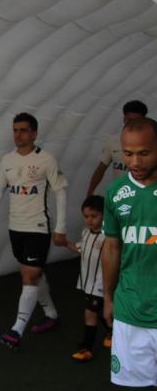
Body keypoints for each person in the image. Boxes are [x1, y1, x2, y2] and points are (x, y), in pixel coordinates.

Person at [0, 112, 68, 349]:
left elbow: (60, 192)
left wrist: (60, 228)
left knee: (29, 276)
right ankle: (52, 315)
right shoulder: (7, 160)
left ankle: (17, 330)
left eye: (24, 130)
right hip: (15, 227)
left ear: (34, 133)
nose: (18, 135)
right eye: (15, 130)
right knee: (33, 274)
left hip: (38, 227)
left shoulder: (46, 160)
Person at [102, 117, 157, 387]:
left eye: (144, 153)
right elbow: (111, 247)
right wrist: (108, 298)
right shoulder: (115, 193)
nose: (135, 162)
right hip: (130, 311)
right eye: (128, 153)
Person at [64, 195, 111, 362]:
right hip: (87, 282)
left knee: (90, 312)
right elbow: (81, 249)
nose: (89, 220)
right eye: (86, 216)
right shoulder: (86, 233)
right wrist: (65, 243)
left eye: (94, 216)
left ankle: (87, 349)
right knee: (100, 312)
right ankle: (112, 332)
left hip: (101, 283)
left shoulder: (109, 236)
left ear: (104, 215)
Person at [86, 100, 147, 196]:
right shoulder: (113, 141)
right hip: (120, 196)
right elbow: (100, 169)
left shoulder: (152, 142)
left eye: (137, 121)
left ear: (144, 120)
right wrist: (90, 193)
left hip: (144, 196)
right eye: (129, 120)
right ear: (124, 118)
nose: (133, 124)